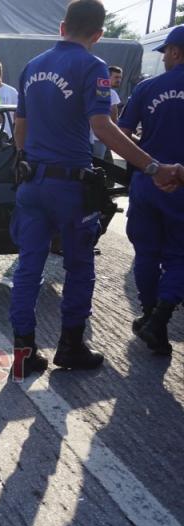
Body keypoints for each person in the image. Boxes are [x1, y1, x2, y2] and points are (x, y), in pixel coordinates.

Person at [9, 0, 183, 378]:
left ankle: (23, 353)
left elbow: (20, 128)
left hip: (32, 182)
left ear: (61, 27)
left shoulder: (31, 67)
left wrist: (26, 158)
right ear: (99, 34)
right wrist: (153, 167)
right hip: (70, 188)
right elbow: (103, 127)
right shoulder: (93, 66)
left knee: (28, 268)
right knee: (78, 267)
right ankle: (70, 346)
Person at [118, 25, 184, 356]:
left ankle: (148, 316)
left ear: (174, 52)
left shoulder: (147, 88)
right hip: (181, 184)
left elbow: (122, 133)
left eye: (167, 54)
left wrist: (150, 161)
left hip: (149, 179)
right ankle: (158, 319)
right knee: (180, 256)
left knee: (147, 253)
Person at [91, 65, 123, 160]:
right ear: (107, 77)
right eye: (116, 77)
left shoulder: (93, 90)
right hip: (101, 138)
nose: (119, 80)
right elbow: (114, 117)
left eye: (120, 77)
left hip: (90, 137)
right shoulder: (111, 93)